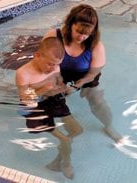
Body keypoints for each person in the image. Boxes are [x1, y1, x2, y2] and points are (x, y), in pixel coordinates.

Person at [43, 4, 122, 142]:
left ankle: (109, 126)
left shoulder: (96, 45)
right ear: (70, 24)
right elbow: (43, 61)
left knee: (97, 101)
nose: (82, 37)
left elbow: (92, 75)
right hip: (58, 72)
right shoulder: (54, 36)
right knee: (48, 99)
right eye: (78, 31)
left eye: (87, 33)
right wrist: (57, 81)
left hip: (85, 76)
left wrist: (75, 86)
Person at [16, 37, 83, 179]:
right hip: (36, 107)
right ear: (38, 56)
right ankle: (66, 163)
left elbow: (59, 82)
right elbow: (25, 100)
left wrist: (63, 88)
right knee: (65, 140)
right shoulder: (23, 73)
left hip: (53, 100)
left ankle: (57, 160)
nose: (53, 68)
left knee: (78, 130)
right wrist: (43, 90)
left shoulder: (55, 66)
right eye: (50, 64)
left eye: (57, 65)